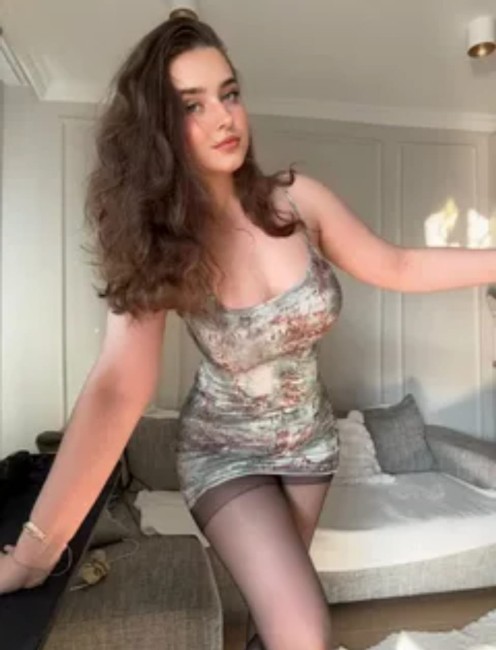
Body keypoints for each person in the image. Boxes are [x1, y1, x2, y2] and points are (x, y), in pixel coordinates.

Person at [1, 15, 495, 650]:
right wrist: (37, 552)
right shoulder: (157, 243)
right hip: (224, 453)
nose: (224, 117)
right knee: (304, 630)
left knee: (276, 625)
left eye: (228, 93)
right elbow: (118, 388)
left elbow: (397, 266)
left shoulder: (296, 200)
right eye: (193, 105)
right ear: (159, 129)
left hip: (312, 450)